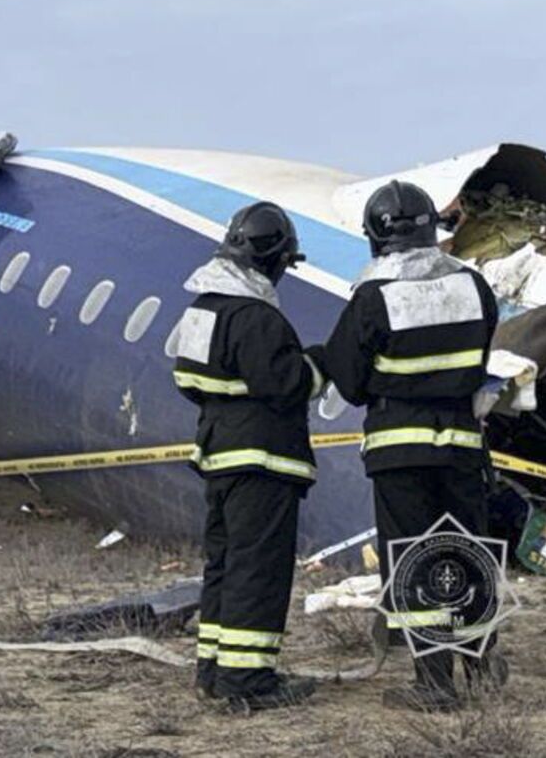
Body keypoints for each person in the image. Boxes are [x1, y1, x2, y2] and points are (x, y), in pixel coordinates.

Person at [317, 181, 503, 713]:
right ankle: (483, 663)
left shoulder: (374, 296)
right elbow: (482, 357)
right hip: (463, 446)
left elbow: (348, 381)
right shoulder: (473, 286)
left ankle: (436, 683)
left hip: (401, 451)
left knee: (416, 561)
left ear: (376, 236)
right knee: (469, 552)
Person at [174, 203, 324, 713]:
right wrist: (320, 365)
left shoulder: (203, 309)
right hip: (262, 461)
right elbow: (287, 385)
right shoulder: (257, 317)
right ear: (275, 260)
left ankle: (214, 671)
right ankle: (248, 681)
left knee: (225, 563)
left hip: (218, 455)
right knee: (258, 568)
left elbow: (187, 381)